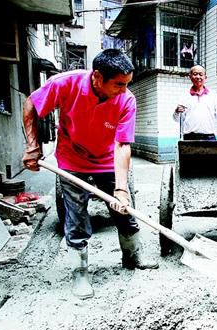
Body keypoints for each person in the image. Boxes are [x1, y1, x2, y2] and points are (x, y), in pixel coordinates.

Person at [22, 49, 159, 300]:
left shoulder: (126, 99)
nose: (124, 89)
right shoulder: (65, 83)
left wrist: (121, 189)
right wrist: (33, 146)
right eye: (118, 84)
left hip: (108, 159)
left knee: (125, 210)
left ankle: (132, 256)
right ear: (97, 76)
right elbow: (31, 103)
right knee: (76, 219)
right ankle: (80, 271)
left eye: (127, 83)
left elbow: (122, 145)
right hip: (72, 160)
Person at [173, 65, 217, 140]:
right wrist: (177, 112)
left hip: (209, 137)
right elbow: (177, 119)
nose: (198, 77)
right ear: (190, 76)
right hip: (189, 138)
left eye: (201, 74)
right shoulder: (185, 95)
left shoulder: (212, 94)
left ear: (205, 77)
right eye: (195, 74)